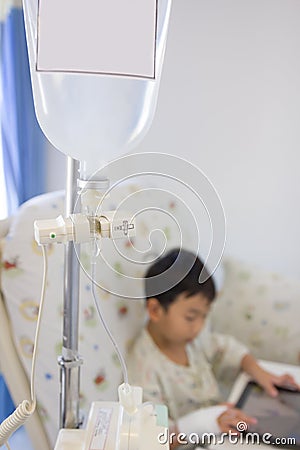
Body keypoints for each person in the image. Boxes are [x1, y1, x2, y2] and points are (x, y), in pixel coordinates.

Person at [126, 248, 299, 449]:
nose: (199, 327)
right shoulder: (144, 369)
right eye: (191, 317)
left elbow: (228, 349)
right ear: (155, 310)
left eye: (204, 316)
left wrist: (259, 371)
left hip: (224, 429)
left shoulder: (193, 340)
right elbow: (155, 438)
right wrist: (205, 424)